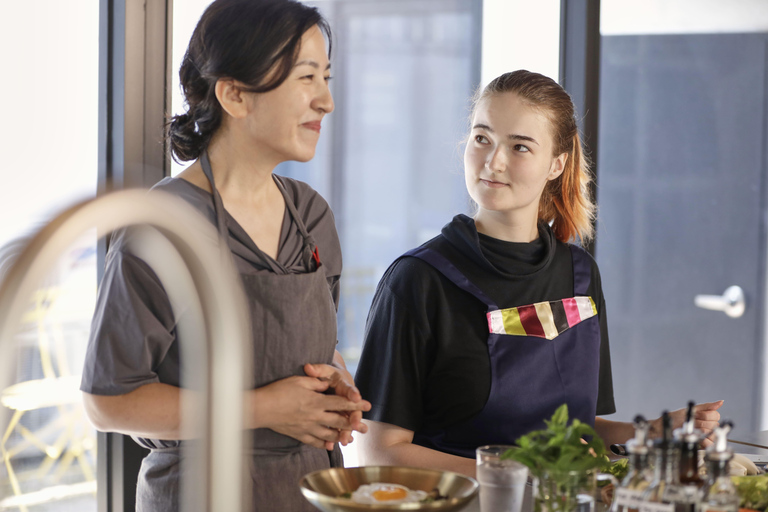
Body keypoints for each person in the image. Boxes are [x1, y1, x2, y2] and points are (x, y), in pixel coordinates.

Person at [353, 70, 722, 477]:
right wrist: (520, 472)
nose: (493, 161)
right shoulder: (417, 281)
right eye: (482, 138)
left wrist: (648, 434)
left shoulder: (580, 275)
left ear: (556, 164)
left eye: (520, 146)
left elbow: (574, 434)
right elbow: (378, 453)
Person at [79, 1, 370, 510]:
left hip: (312, 491)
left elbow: (316, 347)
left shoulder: (311, 214)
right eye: (307, 77)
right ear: (235, 94)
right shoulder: (165, 225)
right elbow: (109, 401)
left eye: (325, 76)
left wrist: (334, 382)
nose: (326, 100)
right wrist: (263, 408)